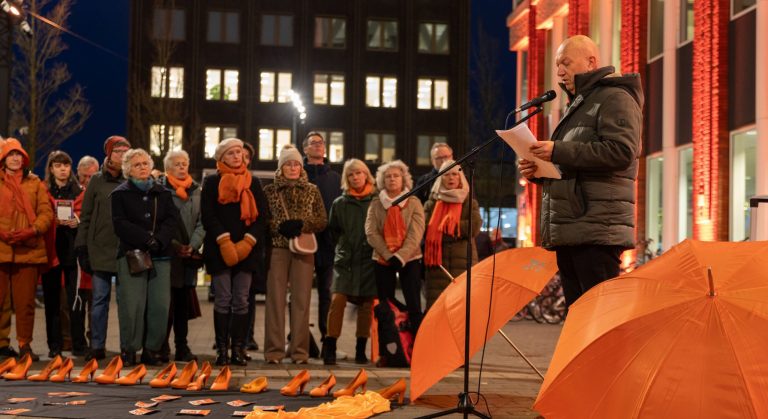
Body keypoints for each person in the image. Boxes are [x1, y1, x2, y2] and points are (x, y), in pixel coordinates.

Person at [518, 35, 643, 308]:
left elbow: (620, 152)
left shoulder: (616, 98)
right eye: (556, 65)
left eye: (565, 63)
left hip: (596, 230)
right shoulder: (579, 104)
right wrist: (538, 171)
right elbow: (575, 165)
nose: (559, 71)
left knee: (597, 322)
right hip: (571, 229)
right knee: (577, 322)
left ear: (591, 62)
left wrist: (558, 150)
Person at [201, 138, 268, 366]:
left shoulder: (254, 182)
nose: (237, 156)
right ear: (221, 158)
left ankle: (238, 349)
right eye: (231, 153)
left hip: (247, 250)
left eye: (239, 151)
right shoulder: (211, 182)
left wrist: (247, 242)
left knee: (241, 300)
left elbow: (262, 217)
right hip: (220, 249)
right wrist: (225, 241)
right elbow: (208, 215)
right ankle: (222, 349)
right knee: (223, 299)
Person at [111, 148, 179, 367]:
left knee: (159, 306)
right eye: (137, 164)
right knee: (132, 306)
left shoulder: (163, 193)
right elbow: (120, 224)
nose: (142, 167)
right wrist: (145, 239)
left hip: (161, 255)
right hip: (133, 255)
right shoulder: (120, 194)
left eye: (145, 163)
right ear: (128, 169)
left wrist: (158, 240)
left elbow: (171, 221)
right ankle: (129, 349)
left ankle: (152, 349)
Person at [263, 144, 326, 364]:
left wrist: (302, 224)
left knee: (302, 300)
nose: (292, 168)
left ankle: (300, 352)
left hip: (303, 248)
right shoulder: (269, 191)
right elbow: (263, 220)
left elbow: (321, 220)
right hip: (278, 248)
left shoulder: (311, 189)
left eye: (296, 164)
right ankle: (274, 351)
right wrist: (279, 226)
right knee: (275, 300)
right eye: (288, 164)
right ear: (281, 167)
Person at [75, 135, 131, 361]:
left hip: (125, 251)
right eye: (118, 151)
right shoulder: (97, 181)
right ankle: (97, 345)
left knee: (127, 302)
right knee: (99, 301)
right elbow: (86, 216)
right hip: (99, 249)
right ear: (109, 154)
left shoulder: (132, 179)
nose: (122, 155)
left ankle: (128, 347)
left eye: (126, 151)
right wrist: (82, 246)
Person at [0, 138, 53, 361]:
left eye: (18, 154)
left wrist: (32, 231)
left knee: (26, 303)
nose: (15, 158)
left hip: (28, 250)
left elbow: (46, 213)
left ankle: (25, 345)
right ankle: (2, 345)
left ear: (24, 158)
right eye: (10, 154)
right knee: (0, 300)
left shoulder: (35, 183)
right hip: (1, 248)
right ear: (3, 158)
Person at [323, 159, 377, 365]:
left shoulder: (376, 201)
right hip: (345, 260)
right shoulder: (340, 203)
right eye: (351, 175)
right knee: (337, 301)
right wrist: (344, 248)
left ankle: (360, 349)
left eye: (358, 173)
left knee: (366, 305)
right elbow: (334, 231)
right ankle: (330, 346)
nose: (355, 177)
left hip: (368, 260)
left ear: (366, 175)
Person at [365, 160, 425, 344]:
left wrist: (401, 256)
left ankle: (417, 348)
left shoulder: (414, 202)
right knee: (385, 306)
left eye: (396, 176)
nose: (392, 179)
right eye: (388, 176)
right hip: (383, 260)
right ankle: (387, 349)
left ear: (404, 179)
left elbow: (417, 232)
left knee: (414, 304)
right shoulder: (376, 203)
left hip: (411, 259)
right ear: (382, 180)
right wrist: (389, 254)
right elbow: (371, 231)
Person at [157, 150, 204, 362]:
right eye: (177, 164)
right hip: (167, 254)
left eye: (185, 163)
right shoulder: (161, 190)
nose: (182, 167)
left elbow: (202, 223)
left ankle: (182, 346)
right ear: (168, 169)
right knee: (165, 304)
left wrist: (193, 245)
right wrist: (175, 245)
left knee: (183, 303)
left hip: (188, 256)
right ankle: (161, 345)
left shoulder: (196, 191)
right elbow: (159, 222)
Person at [422, 160, 482, 311]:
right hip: (437, 265)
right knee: (437, 308)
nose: (451, 178)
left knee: (462, 309)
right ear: (440, 178)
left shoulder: (469, 202)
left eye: (454, 174)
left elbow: (474, 227)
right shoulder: (431, 203)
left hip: (463, 262)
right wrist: (455, 230)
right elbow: (423, 229)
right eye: (446, 174)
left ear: (460, 177)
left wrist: (450, 226)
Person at [41, 151, 84, 358]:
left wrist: (77, 220)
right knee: (52, 300)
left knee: (75, 299)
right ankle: (54, 345)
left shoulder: (79, 191)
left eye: (66, 165)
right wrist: (53, 221)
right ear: (51, 169)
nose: (63, 169)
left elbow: (86, 213)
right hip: (51, 250)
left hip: (72, 251)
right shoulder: (43, 191)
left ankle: (78, 344)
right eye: (58, 165)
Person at [302, 132, 341, 349]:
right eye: (313, 143)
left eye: (321, 143)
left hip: (328, 243)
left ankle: (327, 338)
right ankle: (301, 337)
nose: (318, 146)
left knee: (326, 293)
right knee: (301, 293)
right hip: (305, 239)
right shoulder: (300, 174)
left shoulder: (335, 178)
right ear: (305, 149)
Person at [72, 156, 99, 354]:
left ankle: (94, 340)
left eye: (92, 176)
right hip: (76, 256)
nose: (88, 180)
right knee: (77, 300)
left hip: (96, 254)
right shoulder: (73, 193)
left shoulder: (99, 192)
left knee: (95, 301)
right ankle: (77, 341)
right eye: (84, 176)